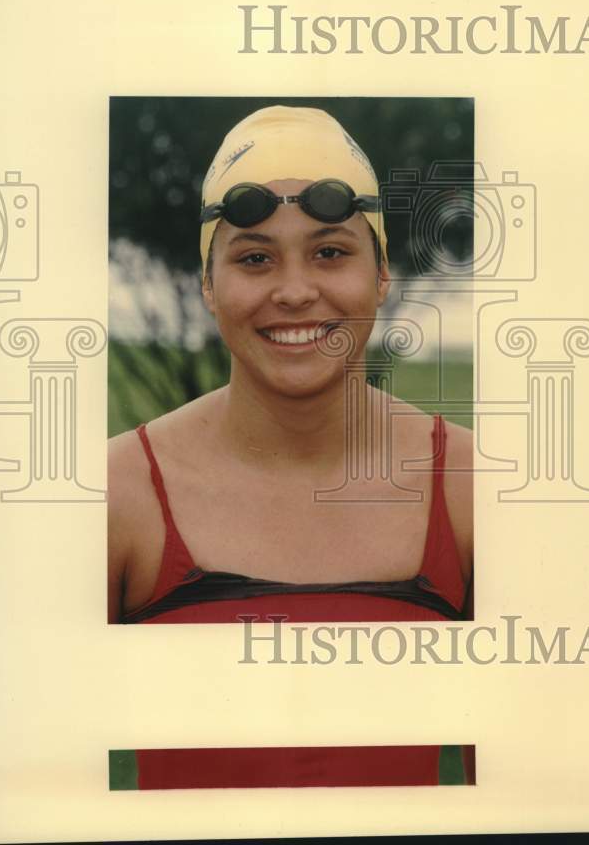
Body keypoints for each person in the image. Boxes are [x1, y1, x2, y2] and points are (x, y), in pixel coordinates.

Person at [107, 105, 475, 786]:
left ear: (382, 274)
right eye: (254, 259)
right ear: (209, 287)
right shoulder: (116, 493)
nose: (296, 291)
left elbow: (530, 797)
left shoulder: (470, 486)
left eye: (331, 252)